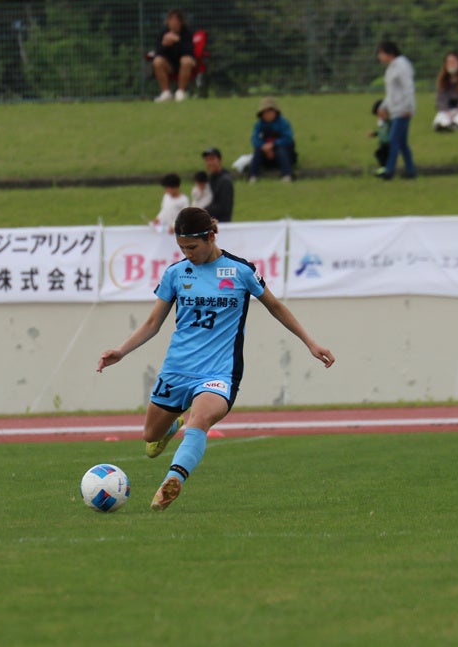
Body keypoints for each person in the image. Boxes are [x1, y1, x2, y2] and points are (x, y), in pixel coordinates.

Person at [96, 207, 334, 511]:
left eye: (192, 247)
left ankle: (174, 479)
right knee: (150, 438)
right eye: (182, 248)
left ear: (210, 236)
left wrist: (310, 343)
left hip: (219, 371)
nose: (187, 254)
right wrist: (121, 350)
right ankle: (171, 426)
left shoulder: (241, 271)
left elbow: (275, 306)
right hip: (178, 369)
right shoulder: (176, 273)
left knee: (201, 418)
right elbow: (152, 323)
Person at [375, 40, 417, 180]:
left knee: (393, 140)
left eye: (381, 53)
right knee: (402, 143)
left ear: (389, 53)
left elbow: (408, 88)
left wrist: (409, 107)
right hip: (395, 110)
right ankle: (410, 170)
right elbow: (391, 92)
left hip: (402, 110)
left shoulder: (402, 66)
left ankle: (389, 170)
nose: (379, 57)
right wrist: (383, 106)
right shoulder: (391, 68)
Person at [248, 97, 297, 183]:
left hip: (284, 154)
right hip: (266, 154)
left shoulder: (283, 123)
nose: (267, 114)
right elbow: (254, 139)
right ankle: (252, 176)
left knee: (281, 150)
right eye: (265, 112)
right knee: (258, 151)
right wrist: (263, 146)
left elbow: (288, 138)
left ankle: (287, 175)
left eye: (270, 111)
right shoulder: (259, 124)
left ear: (275, 112)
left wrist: (273, 145)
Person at [151, 9, 196, 102]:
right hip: (169, 64)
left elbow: (189, 51)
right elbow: (157, 53)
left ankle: (180, 92)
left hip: (184, 64)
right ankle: (166, 92)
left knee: (186, 61)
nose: (173, 24)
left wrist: (178, 41)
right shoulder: (163, 33)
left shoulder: (187, 33)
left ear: (180, 22)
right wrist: (165, 44)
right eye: (171, 21)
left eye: (176, 21)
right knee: (157, 61)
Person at [200, 147, 234, 222]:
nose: (209, 163)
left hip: (221, 224)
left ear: (219, 160)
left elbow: (223, 207)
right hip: (209, 223)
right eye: (207, 160)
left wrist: (202, 211)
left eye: (212, 159)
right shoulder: (210, 178)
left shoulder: (225, 181)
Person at [368, 100, 391, 168]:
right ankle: (384, 168)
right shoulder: (384, 122)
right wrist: (374, 133)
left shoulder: (390, 121)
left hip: (388, 144)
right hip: (383, 143)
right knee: (379, 154)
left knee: (380, 154)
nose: (379, 117)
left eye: (378, 114)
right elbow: (381, 131)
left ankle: (384, 169)